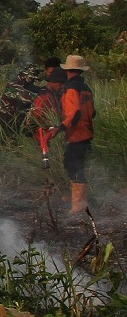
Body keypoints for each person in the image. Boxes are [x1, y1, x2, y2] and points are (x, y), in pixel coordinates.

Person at [59, 54, 95, 215]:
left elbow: (74, 113)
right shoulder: (86, 88)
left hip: (77, 134)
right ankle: (78, 200)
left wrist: (61, 127)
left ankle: (78, 205)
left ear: (68, 70)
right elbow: (92, 112)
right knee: (74, 165)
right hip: (87, 132)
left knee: (74, 167)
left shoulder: (71, 88)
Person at [29, 61, 66, 167]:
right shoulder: (44, 96)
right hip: (43, 138)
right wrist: (50, 126)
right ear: (53, 82)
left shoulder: (53, 94)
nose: (62, 86)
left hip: (51, 137)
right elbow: (37, 117)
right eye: (61, 83)